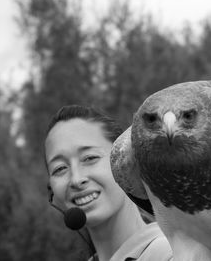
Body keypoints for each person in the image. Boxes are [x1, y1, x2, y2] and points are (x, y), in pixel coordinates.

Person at [44, 105, 173, 261]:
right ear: (51, 190)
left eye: (90, 158)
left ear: (124, 161)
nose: (76, 179)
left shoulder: (172, 254)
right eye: (60, 169)